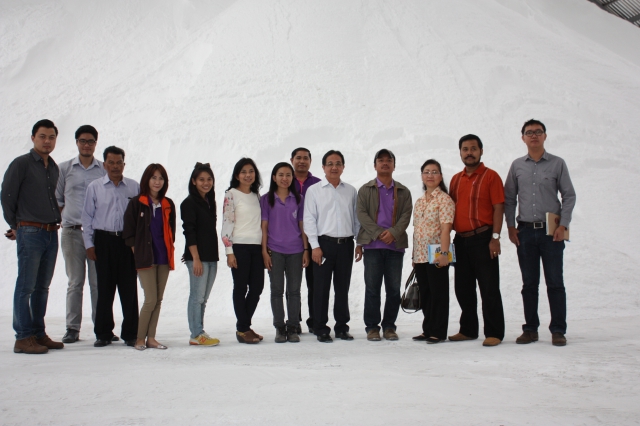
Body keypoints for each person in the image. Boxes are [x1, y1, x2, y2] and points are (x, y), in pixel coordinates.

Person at [504, 119, 576, 347]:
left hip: (551, 233)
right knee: (529, 284)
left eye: (538, 132)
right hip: (525, 232)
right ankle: (530, 329)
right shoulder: (517, 166)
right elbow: (509, 198)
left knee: (555, 282)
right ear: (523, 137)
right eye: (529, 132)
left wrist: (564, 225)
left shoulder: (557, 163)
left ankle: (558, 330)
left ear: (545, 136)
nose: (534, 135)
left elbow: (569, 195)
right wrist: (510, 227)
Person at [2, 119, 64, 354]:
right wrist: (15, 225)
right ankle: (23, 337)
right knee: (26, 286)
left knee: (42, 287)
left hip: (50, 232)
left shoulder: (53, 167)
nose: (47, 141)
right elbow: (7, 196)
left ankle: (38, 333)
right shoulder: (21, 164)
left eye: (51, 137)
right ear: (33, 138)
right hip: (30, 232)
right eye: (42, 136)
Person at [448, 134, 506, 347]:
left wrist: (495, 237)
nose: (469, 153)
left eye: (473, 148)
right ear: (460, 153)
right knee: (463, 289)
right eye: (465, 149)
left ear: (481, 151)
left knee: (489, 287)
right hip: (460, 241)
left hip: (483, 238)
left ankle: (494, 332)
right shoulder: (456, 179)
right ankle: (468, 330)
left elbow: (499, 207)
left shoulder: (491, 177)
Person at [82, 146, 140, 347]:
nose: (115, 166)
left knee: (129, 288)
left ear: (124, 164)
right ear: (104, 164)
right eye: (111, 162)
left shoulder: (134, 187)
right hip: (103, 241)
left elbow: (140, 219)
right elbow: (87, 218)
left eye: (119, 163)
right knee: (104, 288)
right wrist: (89, 244)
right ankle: (103, 333)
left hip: (127, 242)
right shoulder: (95, 187)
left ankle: (131, 333)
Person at [303, 150, 361, 343]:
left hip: (346, 245)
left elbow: (356, 219)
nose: (334, 167)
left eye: (338, 163)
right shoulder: (314, 190)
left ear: (343, 167)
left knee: (342, 288)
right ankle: (320, 327)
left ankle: (342, 327)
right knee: (321, 288)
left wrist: (359, 243)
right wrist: (314, 246)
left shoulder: (350, 191)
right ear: (323, 167)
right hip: (323, 245)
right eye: (330, 164)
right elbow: (309, 220)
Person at [56, 125, 106, 343]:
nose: (87, 145)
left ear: (96, 143)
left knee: (98, 283)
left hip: (96, 235)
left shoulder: (103, 169)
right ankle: (72, 328)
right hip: (72, 232)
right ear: (77, 142)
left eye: (91, 141)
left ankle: (101, 327)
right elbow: (58, 199)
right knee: (75, 281)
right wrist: (68, 219)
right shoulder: (64, 169)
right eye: (83, 141)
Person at [356, 149, 412, 341]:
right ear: (375, 165)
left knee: (393, 290)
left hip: (395, 246)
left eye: (389, 160)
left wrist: (393, 233)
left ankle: (389, 327)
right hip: (373, 246)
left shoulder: (403, 191)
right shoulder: (365, 190)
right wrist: (379, 233)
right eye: (381, 160)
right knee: (372, 288)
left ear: (394, 165)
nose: (385, 163)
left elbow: (406, 215)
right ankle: (372, 327)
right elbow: (361, 214)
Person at [123, 164, 175, 351]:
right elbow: (128, 232)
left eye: (161, 178)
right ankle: (139, 338)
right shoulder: (137, 203)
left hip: (163, 257)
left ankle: (151, 338)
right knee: (150, 299)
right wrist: (137, 251)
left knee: (158, 300)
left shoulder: (168, 204)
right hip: (145, 258)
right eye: (154, 177)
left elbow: (171, 231)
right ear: (147, 179)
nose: (157, 181)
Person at [261, 162, 310, 343]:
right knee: (276, 290)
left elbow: (302, 226)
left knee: (294, 291)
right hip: (274, 250)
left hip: (296, 250)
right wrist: (264, 251)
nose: (284, 178)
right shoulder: (266, 199)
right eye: (281, 175)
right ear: (274, 177)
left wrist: (306, 249)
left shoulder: (299, 199)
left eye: (288, 175)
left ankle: (293, 326)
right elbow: (264, 227)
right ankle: (280, 327)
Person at [412, 159, 455, 344]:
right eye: (427, 172)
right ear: (422, 176)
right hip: (420, 255)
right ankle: (428, 329)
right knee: (426, 293)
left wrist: (444, 254)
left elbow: (446, 229)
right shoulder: (420, 201)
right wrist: (414, 256)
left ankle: (438, 331)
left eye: (434, 172)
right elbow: (416, 230)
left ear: (441, 176)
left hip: (437, 254)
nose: (430, 175)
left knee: (438, 293)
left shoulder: (444, 199)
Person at [222, 158, 264, 344]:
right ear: (237, 175)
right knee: (240, 288)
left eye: (251, 171)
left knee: (257, 287)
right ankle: (243, 328)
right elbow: (227, 222)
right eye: (244, 172)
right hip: (239, 247)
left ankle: (244, 326)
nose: (248, 175)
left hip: (257, 247)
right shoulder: (231, 194)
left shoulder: (257, 196)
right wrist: (229, 251)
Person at [181, 162, 221, 346]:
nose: (206, 183)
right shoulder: (189, 203)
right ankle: (195, 334)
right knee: (196, 297)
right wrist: (195, 258)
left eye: (209, 179)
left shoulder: (209, 202)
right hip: (198, 258)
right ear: (194, 181)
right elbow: (189, 232)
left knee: (203, 298)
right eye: (201, 180)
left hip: (211, 256)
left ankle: (200, 331)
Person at [291, 147, 321, 333]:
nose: (302, 161)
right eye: (298, 158)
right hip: (289, 240)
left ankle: (314, 320)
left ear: (310, 161)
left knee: (314, 283)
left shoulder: (318, 184)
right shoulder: (285, 181)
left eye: (305, 158)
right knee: (293, 285)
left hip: (313, 241)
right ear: (292, 160)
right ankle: (294, 321)